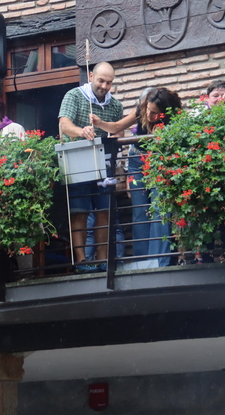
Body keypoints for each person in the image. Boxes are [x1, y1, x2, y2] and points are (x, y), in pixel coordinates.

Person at [93, 88, 182, 268]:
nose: (149, 115)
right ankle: (142, 263)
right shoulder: (142, 109)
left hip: (158, 160)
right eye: (148, 110)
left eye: (155, 113)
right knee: (140, 211)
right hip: (136, 161)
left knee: (159, 209)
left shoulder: (173, 118)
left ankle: (160, 261)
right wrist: (99, 123)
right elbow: (117, 127)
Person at [58, 62, 124, 268]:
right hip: (78, 160)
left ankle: (103, 260)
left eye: (109, 83)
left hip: (104, 161)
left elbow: (119, 132)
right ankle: (81, 261)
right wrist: (81, 131)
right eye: (101, 81)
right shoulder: (74, 95)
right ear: (91, 76)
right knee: (79, 211)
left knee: (105, 211)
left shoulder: (116, 105)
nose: (104, 86)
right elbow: (64, 125)